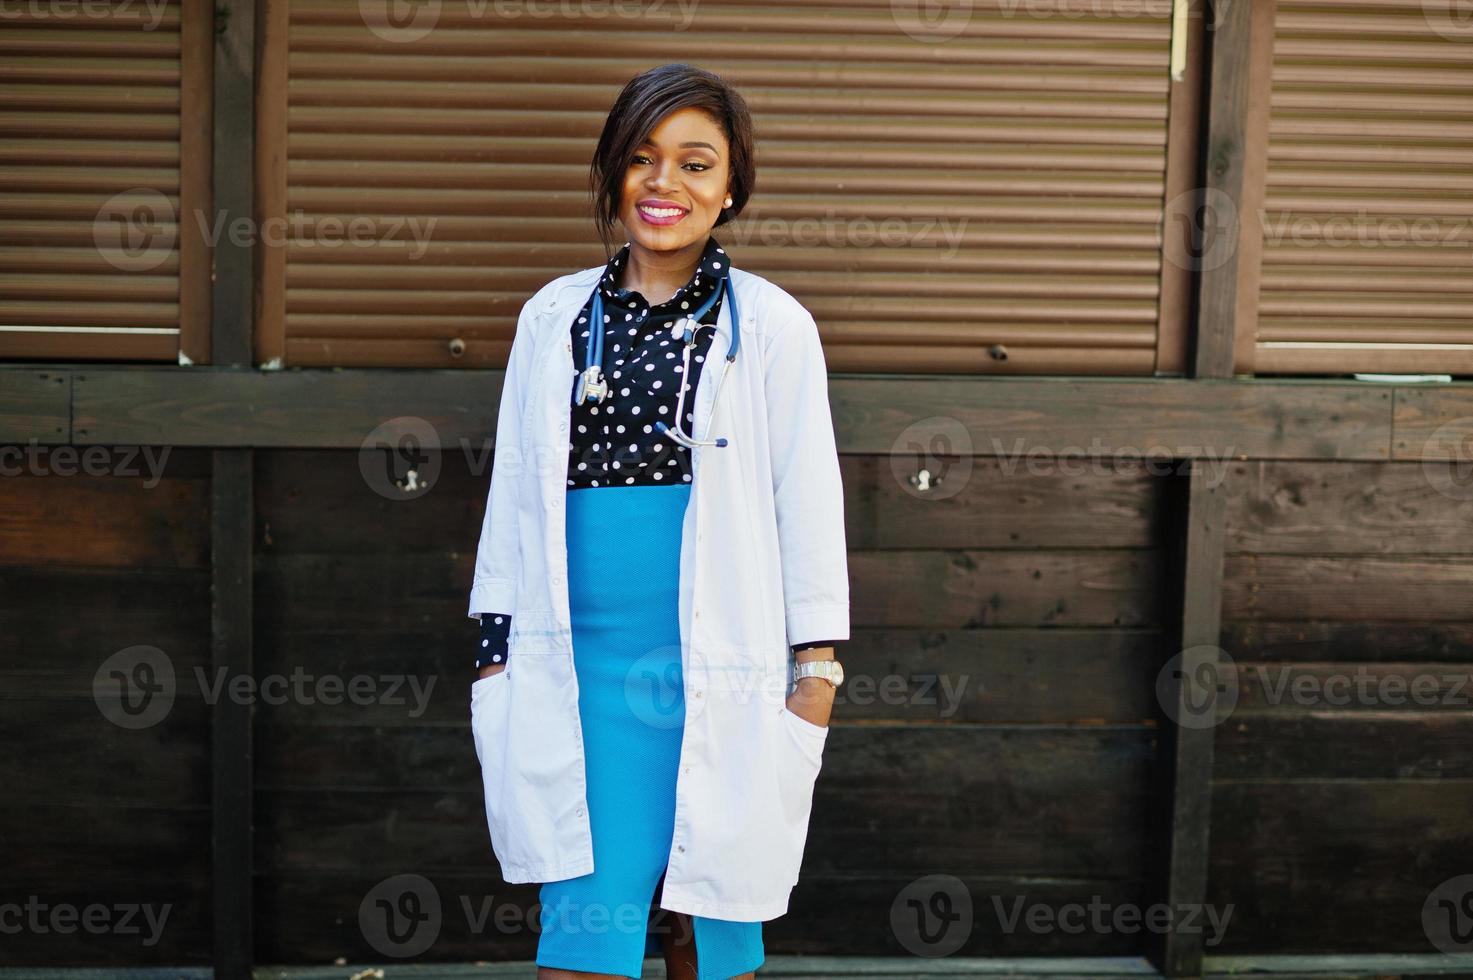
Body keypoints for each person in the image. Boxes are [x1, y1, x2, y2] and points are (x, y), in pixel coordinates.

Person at [468, 63, 850, 980]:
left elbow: (807, 500)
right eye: (641, 159)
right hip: (580, 663)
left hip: (726, 659)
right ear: (612, 172)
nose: (664, 184)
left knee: (710, 932)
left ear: (730, 187)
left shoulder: (770, 325)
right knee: (582, 930)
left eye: (694, 163)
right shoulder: (553, 317)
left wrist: (817, 670)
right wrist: (493, 651)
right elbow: (513, 498)